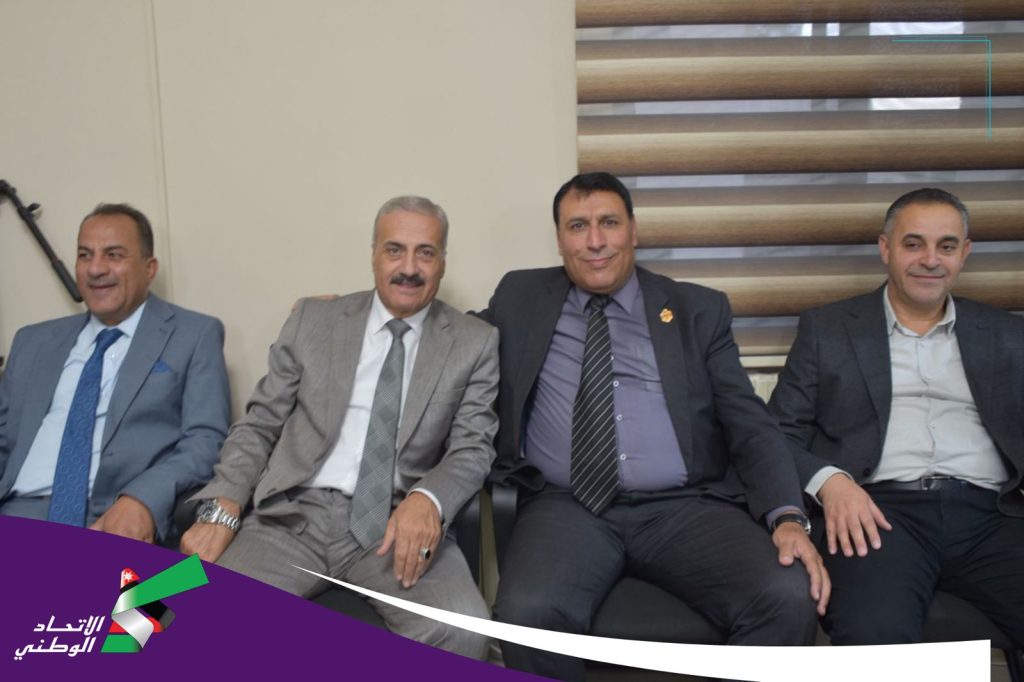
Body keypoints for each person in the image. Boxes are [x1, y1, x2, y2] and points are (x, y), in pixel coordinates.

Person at [480, 172, 829, 680]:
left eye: (608, 223)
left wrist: (788, 518)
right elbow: (453, 340)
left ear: (634, 230)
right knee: (527, 614)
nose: (594, 241)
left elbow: (750, 423)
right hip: (567, 507)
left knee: (786, 597)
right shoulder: (520, 296)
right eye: (577, 226)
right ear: (559, 240)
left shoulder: (695, 309)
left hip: (685, 507)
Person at [180, 195, 497, 659]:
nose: (409, 268)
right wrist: (222, 508)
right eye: (394, 250)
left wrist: (428, 499)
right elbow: (260, 423)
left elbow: (473, 448)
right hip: (290, 518)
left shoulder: (474, 343)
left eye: (425, 253)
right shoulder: (315, 320)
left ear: (443, 262)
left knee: (463, 632)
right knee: (169, 610)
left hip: (394, 524)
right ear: (373, 254)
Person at [768, 187, 1024, 646]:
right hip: (877, 517)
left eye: (946, 246)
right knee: (876, 636)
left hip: (993, 516)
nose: (931, 260)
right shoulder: (829, 329)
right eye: (913, 244)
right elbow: (777, 434)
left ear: (964, 253)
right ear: (885, 248)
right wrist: (830, 482)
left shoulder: (1006, 333)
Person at [0, 203, 230, 544]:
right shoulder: (33, 342)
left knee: (186, 575)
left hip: (112, 521)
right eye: (85, 255)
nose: (95, 269)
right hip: (16, 515)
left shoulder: (194, 335)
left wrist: (143, 499)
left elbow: (206, 441)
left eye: (113, 255)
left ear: (149, 269)